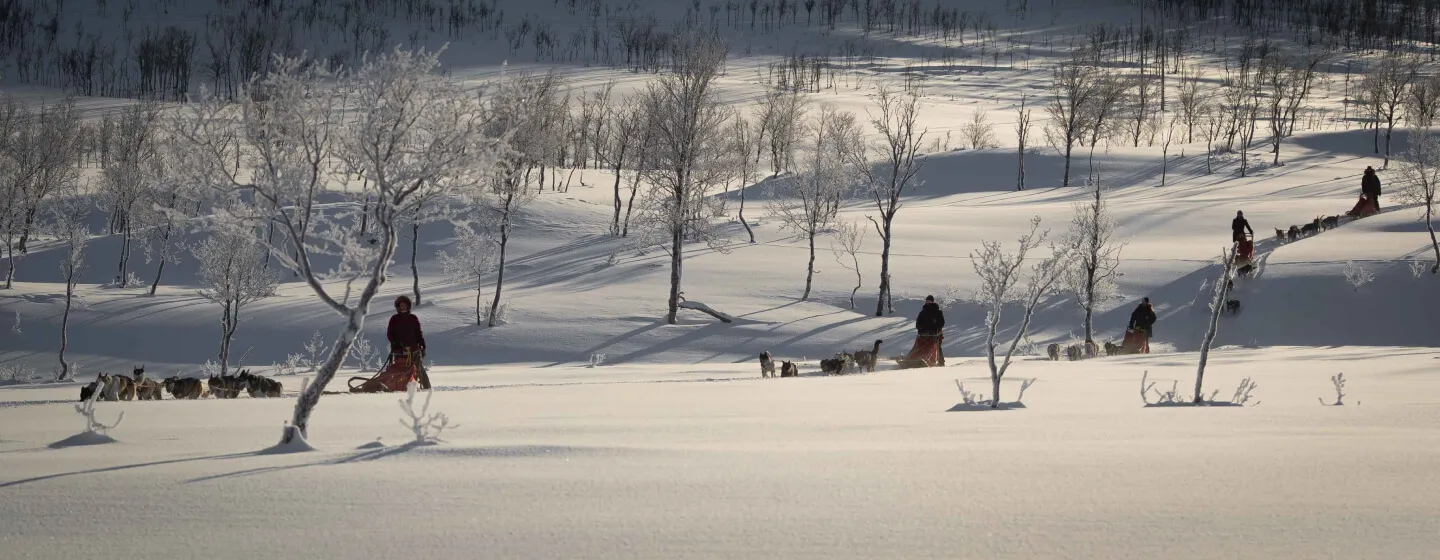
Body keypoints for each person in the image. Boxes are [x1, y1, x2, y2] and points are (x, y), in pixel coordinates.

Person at [386, 295, 430, 389]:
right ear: (398, 306)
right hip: (399, 350)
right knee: (397, 370)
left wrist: (423, 345)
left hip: (413, 350)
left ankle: (427, 389)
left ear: (408, 306)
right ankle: (394, 386)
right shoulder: (394, 319)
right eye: (401, 305)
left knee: (419, 370)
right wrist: (395, 342)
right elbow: (390, 334)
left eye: (405, 305)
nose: (403, 307)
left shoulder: (413, 318)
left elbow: (419, 333)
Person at [915, 295, 946, 366]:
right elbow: (918, 322)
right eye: (927, 301)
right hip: (924, 334)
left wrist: (937, 328)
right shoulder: (923, 312)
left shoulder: (937, 312)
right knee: (919, 346)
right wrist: (919, 328)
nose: (928, 303)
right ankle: (915, 358)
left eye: (929, 301)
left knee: (937, 347)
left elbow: (941, 322)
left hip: (935, 334)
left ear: (932, 302)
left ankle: (941, 362)